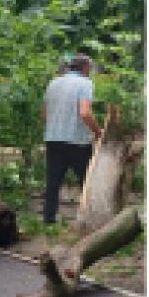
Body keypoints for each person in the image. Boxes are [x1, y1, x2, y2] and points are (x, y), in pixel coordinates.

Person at [42, 53, 102, 225]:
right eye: (90, 69)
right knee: (87, 181)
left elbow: (45, 114)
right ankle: (89, 219)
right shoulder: (85, 84)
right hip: (77, 141)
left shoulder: (53, 83)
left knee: (53, 181)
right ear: (85, 68)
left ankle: (48, 220)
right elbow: (84, 113)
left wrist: (57, 127)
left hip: (53, 138)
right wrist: (98, 132)